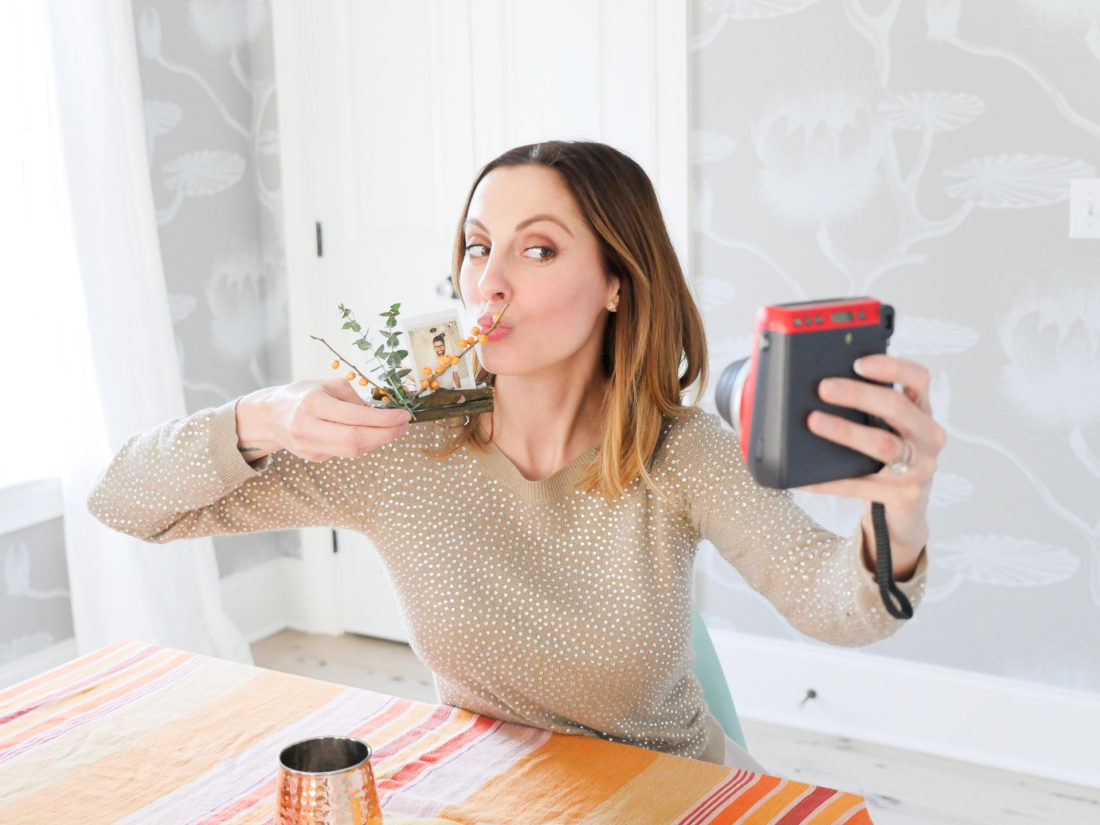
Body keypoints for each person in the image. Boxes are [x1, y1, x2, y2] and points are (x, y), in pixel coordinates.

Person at [88, 140, 942, 770]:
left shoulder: (678, 453)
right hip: (494, 785)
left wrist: (898, 510)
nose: (487, 282)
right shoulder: (403, 440)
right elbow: (125, 501)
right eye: (475, 245)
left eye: (536, 249)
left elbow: (844, 608)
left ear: (617, 281)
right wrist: (263, 417)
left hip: (670, 791)